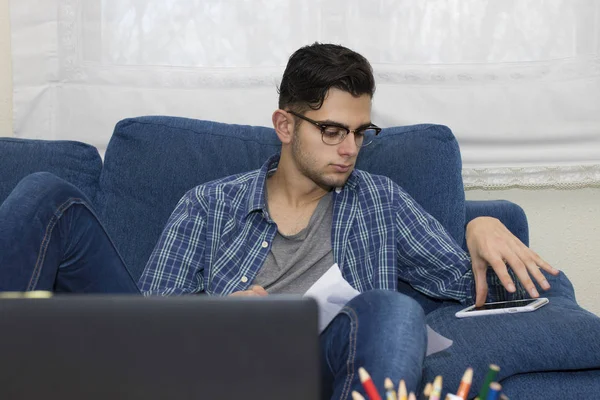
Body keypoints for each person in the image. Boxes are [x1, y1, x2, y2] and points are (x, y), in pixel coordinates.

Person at [0, 43, 558, 398]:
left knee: (392, 308)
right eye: (331, 130)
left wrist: (477, 227)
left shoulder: (380, 201)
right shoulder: (208, 204)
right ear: (285, 126)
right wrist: (218, 317)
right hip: (206, 368)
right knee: (46, 194)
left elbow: (470, 286)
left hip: (317, 370)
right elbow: (145, 325)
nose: (350, 149)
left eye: (360, 133)